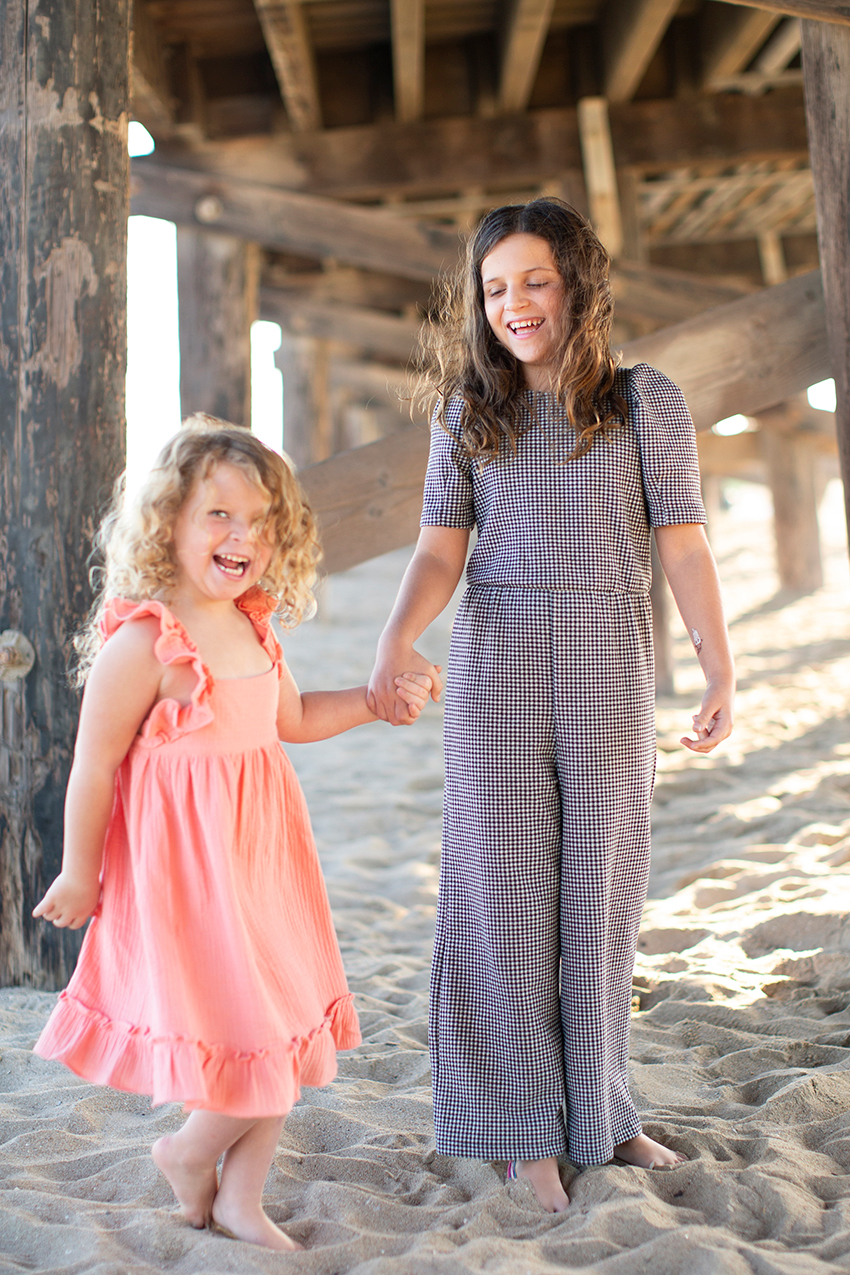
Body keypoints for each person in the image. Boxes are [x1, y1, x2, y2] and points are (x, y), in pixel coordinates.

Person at [367, 198, 734, 1213]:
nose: (515, 304)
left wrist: (718, 667)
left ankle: (605, 1116)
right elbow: (442, 546)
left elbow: (684, 542)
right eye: (494, 289)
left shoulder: (643, 400)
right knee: (505, 894)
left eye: (533, 281)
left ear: (575, 284)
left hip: (610, 658)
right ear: (477, 307)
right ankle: (523, 1128)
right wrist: (395, 637)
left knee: (602, 896)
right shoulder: (464, 411)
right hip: (497, 665)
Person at [33, 418, 433, 1251]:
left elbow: (290, 719)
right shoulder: (145, 643)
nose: (240, 535)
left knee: (280, 1027)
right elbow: (93, 766)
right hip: (187, 879)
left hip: (263, 868)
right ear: (167, 524)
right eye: (217, 515)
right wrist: (78, 872)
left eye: (259, 522)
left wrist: (372, 699)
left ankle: (241, 1197)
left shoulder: (254, 627)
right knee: (256, 1045)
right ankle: (186, 1152)